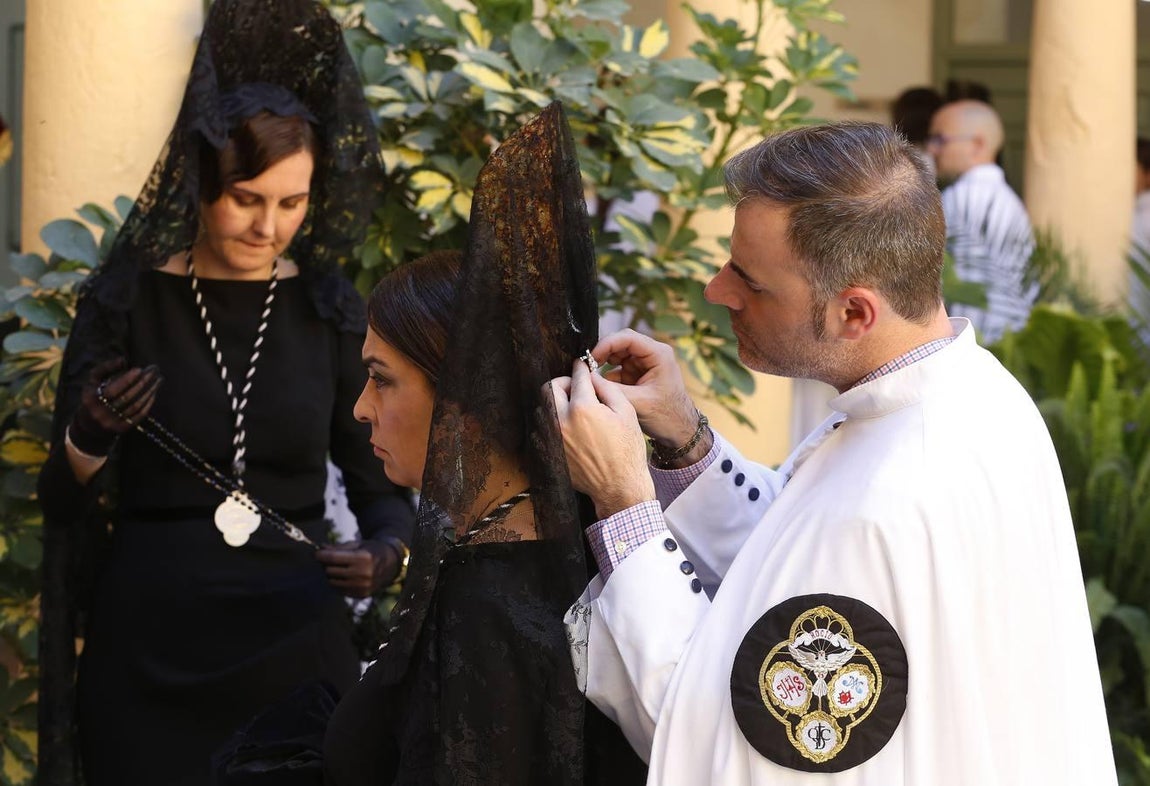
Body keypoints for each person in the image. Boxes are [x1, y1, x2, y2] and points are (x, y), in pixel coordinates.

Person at [552, 122, 1117, 784]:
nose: (717, 290)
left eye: (749, 281)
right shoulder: (976, 396)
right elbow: (788, 568)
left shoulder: (886, 502)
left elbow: (715, 743)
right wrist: (684, 441)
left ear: (855, 313)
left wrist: (624, 501)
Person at [36, 2, 414, 784]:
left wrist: (387, 552)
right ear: (201, 180)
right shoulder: (128, 302)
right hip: (150, 644)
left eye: (292, 203)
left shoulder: (327, 308)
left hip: (293, 641)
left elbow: (382, 486)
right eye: (247, 199)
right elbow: (61, 499)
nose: (269, 227)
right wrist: (92, 432)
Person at [927, 99, 1035, 342]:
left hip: (974, 343)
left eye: (940, 139)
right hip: (1005, 344)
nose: (932, 149)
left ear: (977, 144)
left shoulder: (961, 197)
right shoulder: (1006, 199)